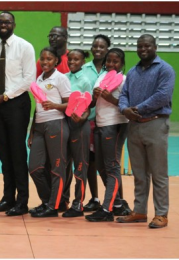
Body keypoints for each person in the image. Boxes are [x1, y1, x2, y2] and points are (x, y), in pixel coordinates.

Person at [117, 34, 175, 229]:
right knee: (140, 174)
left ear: (155, 47)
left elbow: (162, 96)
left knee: (159, 173)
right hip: (134, 126)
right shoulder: (133, 72)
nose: (143, 49)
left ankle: (161, 214)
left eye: (147, 46)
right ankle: (140, 211)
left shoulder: (165, 70)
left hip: (155, 124)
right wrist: (124, 109)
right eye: (139, 46)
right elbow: (124, 94)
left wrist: (137, 109)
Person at [0, 11, 36, 216]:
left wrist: (5, 96)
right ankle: (8, 198)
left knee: (17, 153)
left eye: (7, 22)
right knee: (4, 155)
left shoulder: (25, 46)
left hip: (16, 103)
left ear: (14, 24)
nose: (3, 24)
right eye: (0, 22)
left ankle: (22, 201)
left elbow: (29, 79)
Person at [85, 48, 131, 222]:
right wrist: (95, 97)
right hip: (99, 123)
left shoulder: (125, 80)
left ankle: (107, 208)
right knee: (101, 166)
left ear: (122, 64)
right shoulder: (101, 77)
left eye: (115, 61)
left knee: (112, 166)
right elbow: (91, 104)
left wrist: (111, 98)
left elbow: (128, 105)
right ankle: (118, 204)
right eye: (108, 61)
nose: (111, 64)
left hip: (116, 125)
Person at [28, 47, 71, 218]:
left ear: (56, 61)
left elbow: (70, 103)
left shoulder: (60, 78)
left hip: (56, 124)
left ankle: (53, 207)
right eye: (43, 59)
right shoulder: (38, 79)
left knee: (57, 168)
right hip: (39, 126)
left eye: (49, 59)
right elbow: (37, 108)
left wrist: (55, 106)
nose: (45, 62)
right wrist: (31, 133)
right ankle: (48, 201)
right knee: (35, 168)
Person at [81, 34, 110, 212]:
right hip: (88, 121)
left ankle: (113, 199)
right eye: (95, 46)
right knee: (90, 162)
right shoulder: (84, 69)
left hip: (108, 121)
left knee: (107, 163)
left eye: (102, 47)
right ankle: (94, 198)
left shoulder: (112, 70)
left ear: (107, 49)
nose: (98, 49)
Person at [62, 49, 92, 218]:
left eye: (76, 59)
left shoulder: (85, 80)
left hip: (79, 127)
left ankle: (78, 203)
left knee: (80, 165)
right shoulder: (64, 78)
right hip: (65, 125)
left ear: (82, 62)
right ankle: (63, 200)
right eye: (70, 59)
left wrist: (81, 118)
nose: (72, 62)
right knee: (64, 165)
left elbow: (87, 108)